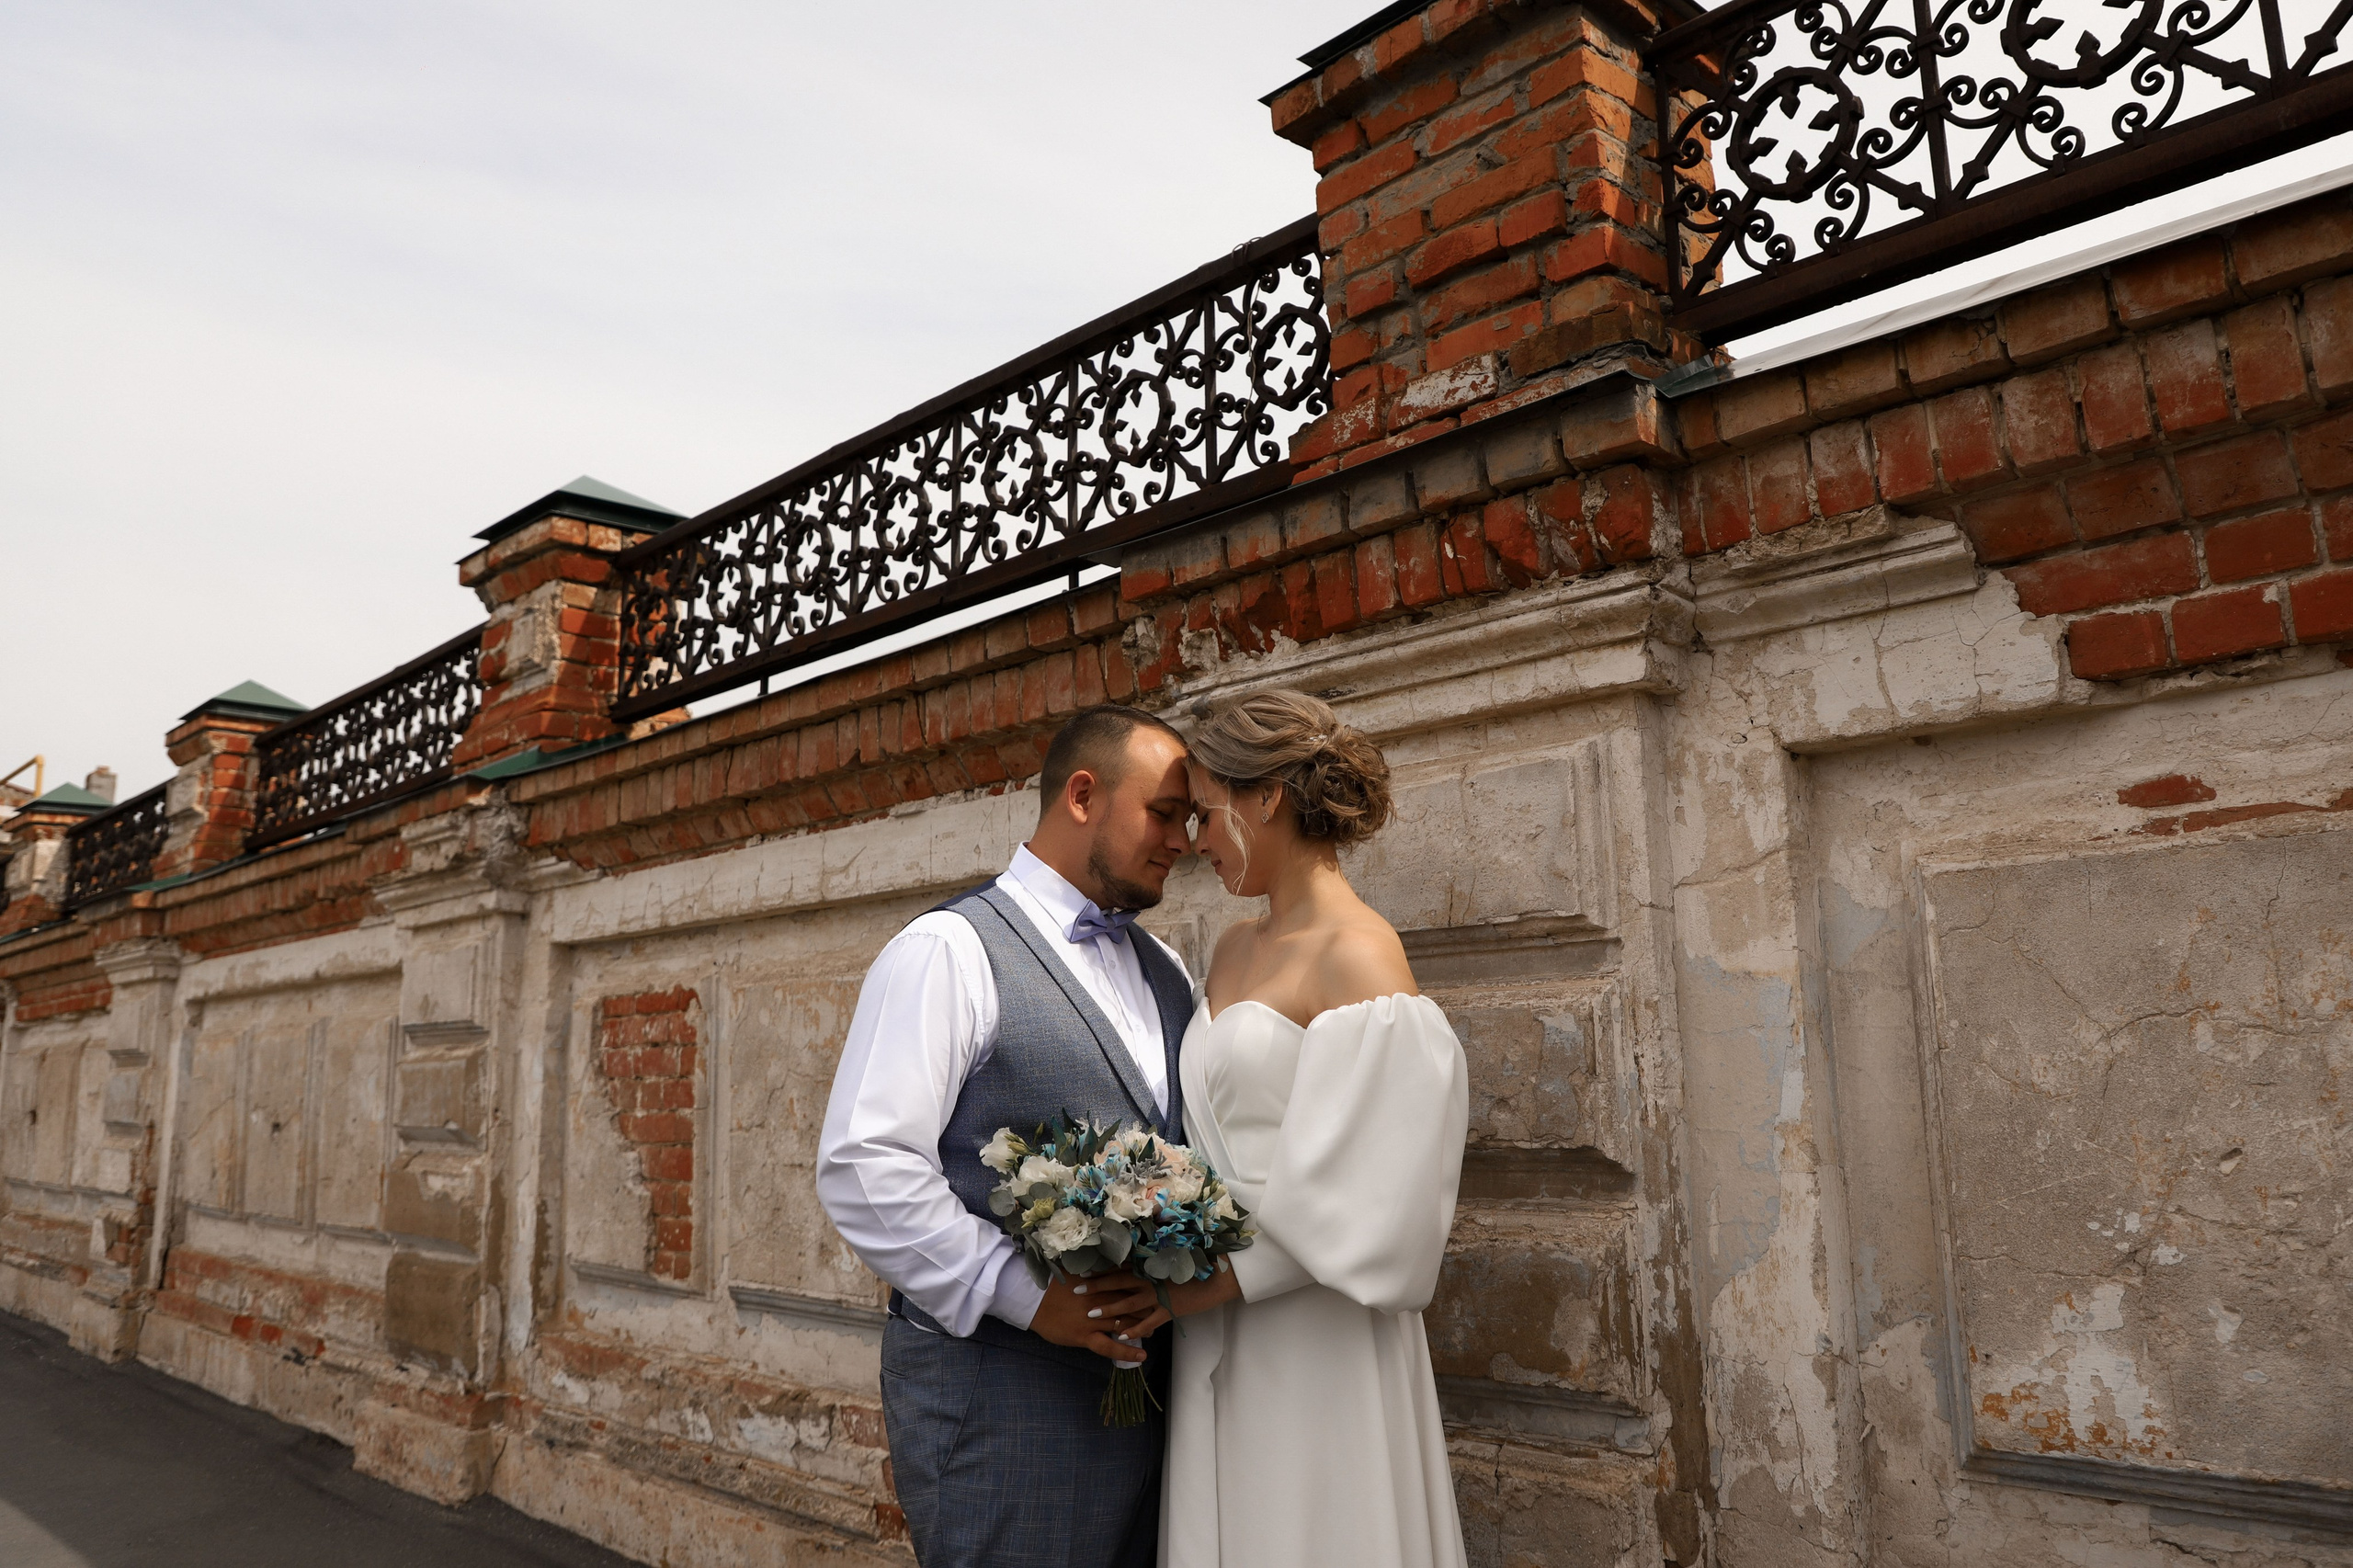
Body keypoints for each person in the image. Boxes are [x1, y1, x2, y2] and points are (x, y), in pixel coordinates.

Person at [814, 703, 1198, 1568]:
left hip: (1156, 1406)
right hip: (997, 1398)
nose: (1183, 840)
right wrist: (1025, 1294)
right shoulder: (947, 951)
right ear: (1083, 796)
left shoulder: (1168, 970)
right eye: (1164, 813)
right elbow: (865, 1166)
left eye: (1190, 819)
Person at [1132, 689, 1472, 1568]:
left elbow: (1378, 1197)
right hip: (1212, 1322)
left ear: (1267, 798)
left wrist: (1198, 1290)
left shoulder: (1359, 956)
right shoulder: (1231, 948)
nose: (1194, 841)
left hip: (1315, 1327)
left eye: (1206, 813)